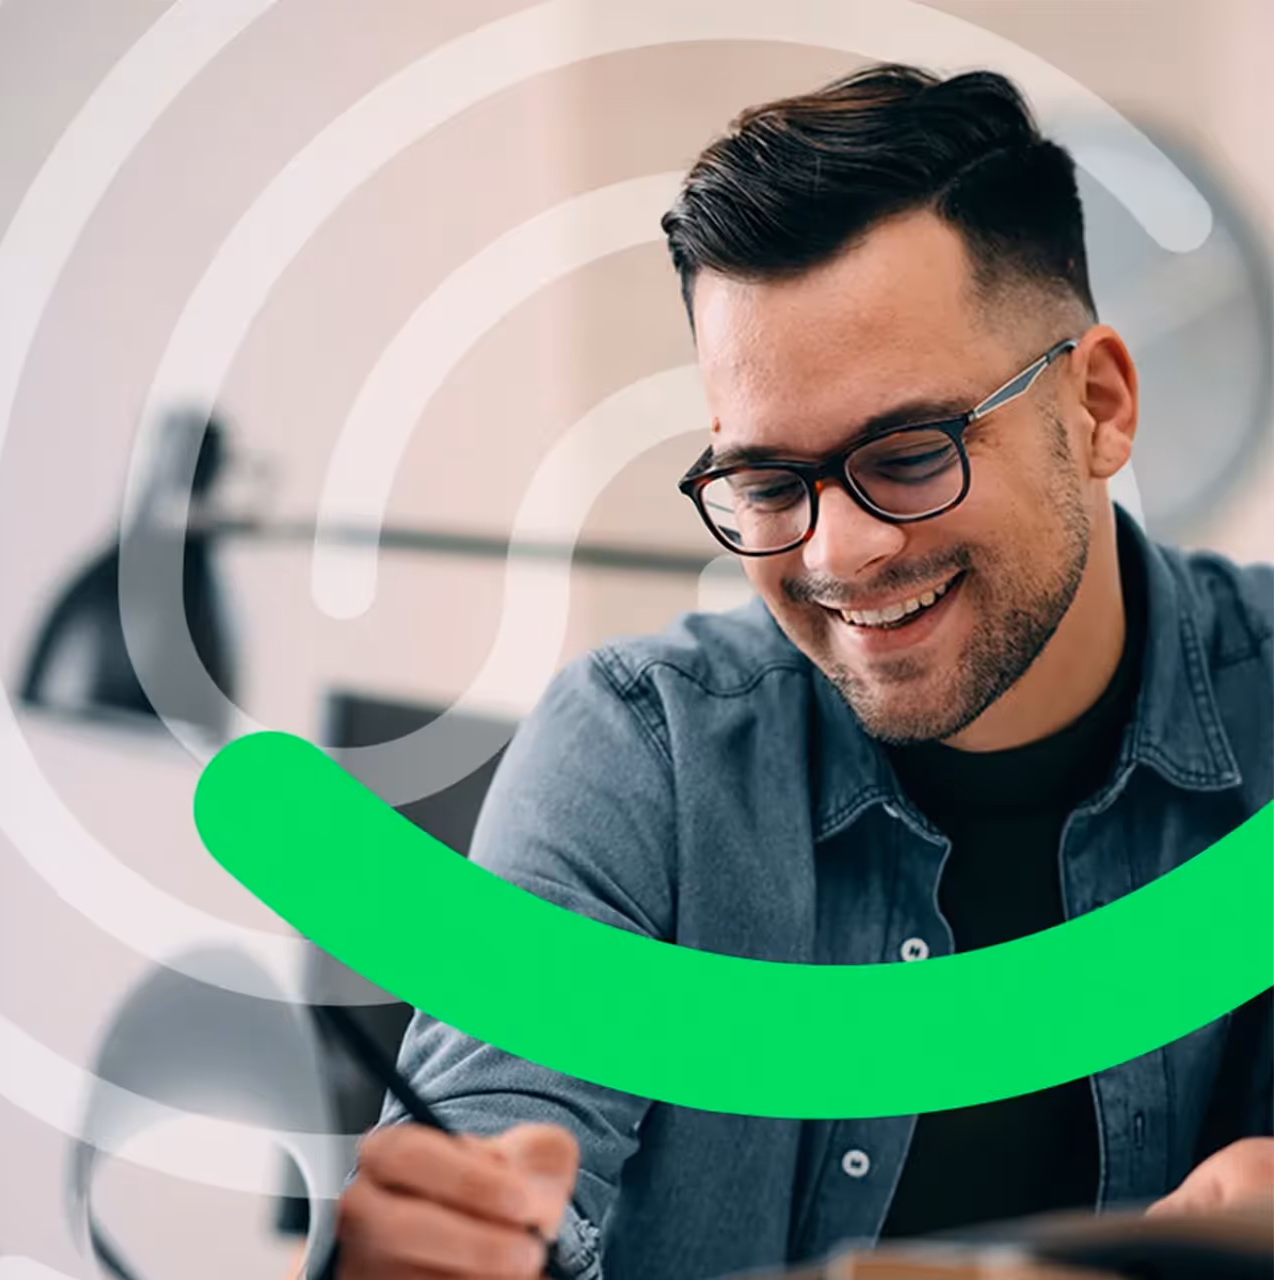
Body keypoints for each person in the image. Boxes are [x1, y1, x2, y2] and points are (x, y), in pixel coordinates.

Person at [333, 63, 1274, 1280]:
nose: (838, 553)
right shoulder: (643, 754)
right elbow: (483, 1148)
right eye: (769, 482)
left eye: (911, 453)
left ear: (1097, 405)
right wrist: (418, 1249)